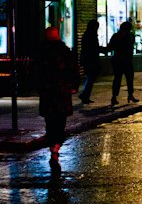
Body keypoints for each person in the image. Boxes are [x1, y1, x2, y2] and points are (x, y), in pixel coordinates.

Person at [36, 25, 78, 159]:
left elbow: (35, 72)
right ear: (57, 35)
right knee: (60, 120)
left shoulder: (41, 52)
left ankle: (52, 144)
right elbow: (73, 69)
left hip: (48, 91)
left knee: (49, 120)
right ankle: (56, 146)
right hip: (61, 90)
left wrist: (39, 87)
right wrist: (74, 85)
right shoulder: (64, 51)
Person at [109, 19, 137, 105]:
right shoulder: (121, 36)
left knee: (125, 78)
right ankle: (116, 96)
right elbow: (111, 46)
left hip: (122, 60)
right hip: (122, 60)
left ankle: (127, 95)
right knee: (120, 79)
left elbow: (111, 46)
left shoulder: (124, 36)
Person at [78, 17, 102, 105]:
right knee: (90, 78)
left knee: (90, 78)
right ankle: (85, 95)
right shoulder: (90, 35)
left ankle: (85, 95)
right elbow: (91, 49)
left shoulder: (88, 34)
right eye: (96, 26)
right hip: (90, 60)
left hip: (88, 59)